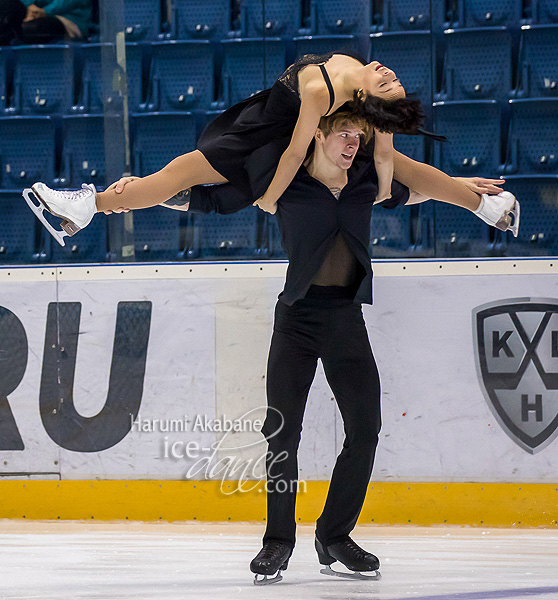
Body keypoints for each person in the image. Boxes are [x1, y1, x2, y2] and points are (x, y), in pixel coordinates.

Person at [110, 110, 519, 584]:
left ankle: (334, 535)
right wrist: (149, 193)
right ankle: (277, 542)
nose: (352, 144)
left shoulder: (368, 176)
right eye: (344, 134)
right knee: (281, 433)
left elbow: (419, 188)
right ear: (318, 135)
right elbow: (211, 200)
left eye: (358, 136)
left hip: (347, 320)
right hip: (297, 321)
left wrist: (462, 187)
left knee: (366, 428)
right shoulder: (283, 181)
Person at [25, 51, 430, 245]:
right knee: (183, 182)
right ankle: (88, 208)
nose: (389, 73)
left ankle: (87, 206)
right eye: (393, 81)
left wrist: (271, 198)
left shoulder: (321, 92)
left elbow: (298, 152)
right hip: (261, 121)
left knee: (174, 176)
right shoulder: (357, 74)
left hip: (262, 135)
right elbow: (379, 148)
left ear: (365, 97)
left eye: (387, 84)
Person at [0, 0, 91, 45]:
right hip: (32, 16)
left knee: (33, 28)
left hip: (69, 18)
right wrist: (29, 7)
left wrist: (46, 12)